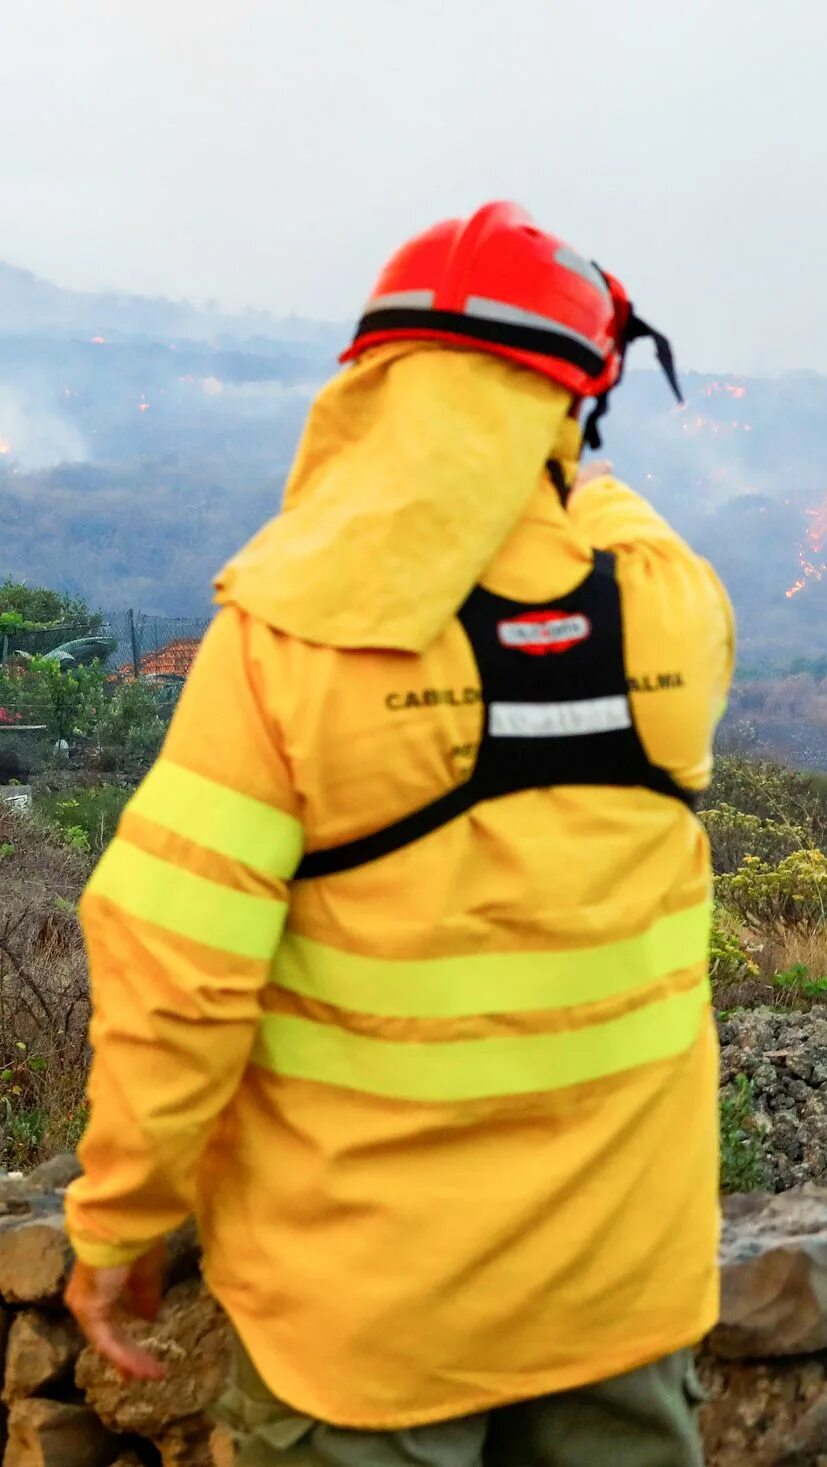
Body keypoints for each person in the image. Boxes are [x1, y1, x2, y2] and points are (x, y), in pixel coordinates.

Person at [62, 203, 735, 1466]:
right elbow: (605, 507)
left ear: (371, 386)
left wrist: (117, 1226)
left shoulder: (282, 638)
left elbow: (176, 978)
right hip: (620, 1295)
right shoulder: (673, 611)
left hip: (366, 1320)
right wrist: (564, 429)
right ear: (572, 404)